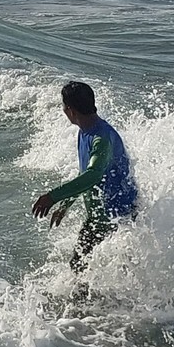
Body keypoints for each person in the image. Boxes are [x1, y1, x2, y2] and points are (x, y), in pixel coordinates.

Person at [31, 80, 138, 285]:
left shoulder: (102, 138)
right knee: (81, 266)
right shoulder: (86, 131)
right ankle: (91, 309)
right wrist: (66, 204)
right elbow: (85, 176)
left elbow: (93, 175)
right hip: (100, 216)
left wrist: (52, 197)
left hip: (118, 217)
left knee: (83, 266)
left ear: (70, 110)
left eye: (63, 106)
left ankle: (88, 312)